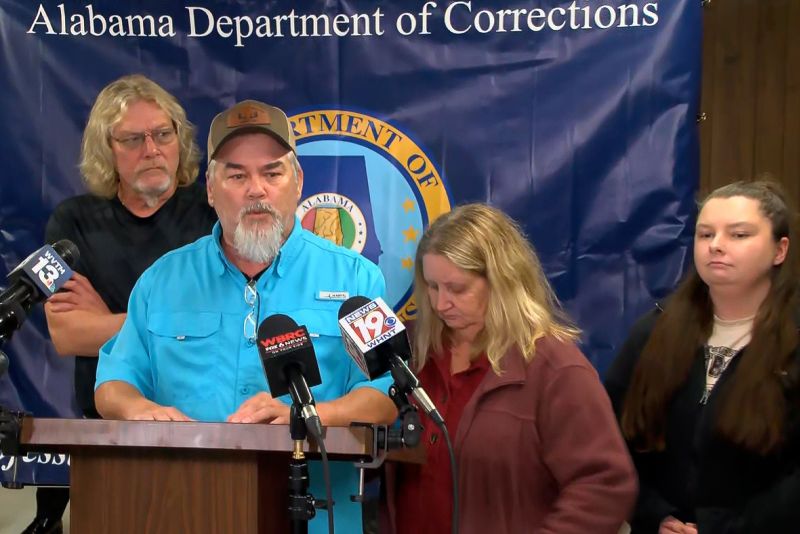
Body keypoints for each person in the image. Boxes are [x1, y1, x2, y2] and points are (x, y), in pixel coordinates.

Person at [94, 99, 398, 533]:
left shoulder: (357, 278)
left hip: (317, 516)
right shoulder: (161, 280)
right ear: (211, 191)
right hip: (182, 510)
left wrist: (313, 415)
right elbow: (112, 384)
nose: (256, 190)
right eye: (237, 175)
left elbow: (386, 394)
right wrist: (140, 409)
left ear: (298, 183)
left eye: (272, 173)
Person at [22, 74, 218, 534]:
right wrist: (176, 326)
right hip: (108, 428)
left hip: (205, 427)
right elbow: (68, 334)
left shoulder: (212, 212)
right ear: (106, 149)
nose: (151, 149)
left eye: (163, 134)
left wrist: (107, 322)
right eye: (133, 139)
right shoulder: (72, 222)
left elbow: (224, 324)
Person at [388, 204, 637, 534]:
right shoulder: (410, 354)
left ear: (502, 282)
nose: (440, 303)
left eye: (457, 288)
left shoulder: (555, 370)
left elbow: (603, 486)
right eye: (432, 286)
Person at [605, 180, 800, 533]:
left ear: (779, 250)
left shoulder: (793, 340)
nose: (716, 246)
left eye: (739, 235)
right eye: (705, 234)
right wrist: (655, 514)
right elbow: (607, 438)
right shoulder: (654, 332)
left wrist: (719, 529)